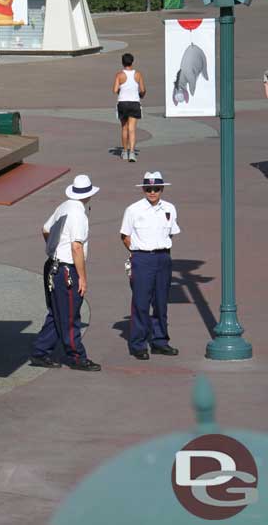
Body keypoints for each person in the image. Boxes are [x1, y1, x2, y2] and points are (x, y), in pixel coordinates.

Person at [30, 174, 102, 372]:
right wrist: (83, 278)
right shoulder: (78, 214)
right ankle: (76, 356)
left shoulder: (63, 207)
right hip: (66, 270)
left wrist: (54, 248)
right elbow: (76, 247)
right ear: (89, 194)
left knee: (56, 312)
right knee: (70, 316)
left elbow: (45, 229)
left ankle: (41, 351)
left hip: (52, 265)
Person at [121, 171, 180, 359]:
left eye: (156, 189)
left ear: (162, 189)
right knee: (141, 303)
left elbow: (170, 233)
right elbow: (125, 235)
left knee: (161, 302)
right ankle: (138, 344)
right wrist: (137, 253)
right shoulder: (133, 210)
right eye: (148, 189)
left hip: (163, 258)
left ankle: (160, 341)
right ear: (143, 190)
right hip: (142, 259)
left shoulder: (170, 208)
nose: (152, 192)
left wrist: (159, 249)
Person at [113, 53, 146, 162]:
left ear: (122, 63)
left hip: (122, 102)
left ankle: (124, 152)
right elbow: (142, 90)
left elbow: (115, 90)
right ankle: (132, 153)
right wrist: (141, 95)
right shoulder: (138, 74)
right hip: (134, 103)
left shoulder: (119, 75)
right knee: (132, 129)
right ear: (132, 62)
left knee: (124, 128)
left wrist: (121, 90)